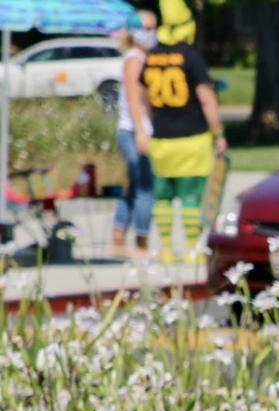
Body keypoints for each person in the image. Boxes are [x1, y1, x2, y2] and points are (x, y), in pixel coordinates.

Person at [139, 0, 226, 263]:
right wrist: (218, 132)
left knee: (163, 198)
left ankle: (165, 248)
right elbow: (206, 98)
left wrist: (154, 123)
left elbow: (145, 97)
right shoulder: (190, 56)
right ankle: (191, 249)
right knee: (191, 196)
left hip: (162, 139)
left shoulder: (151, 56)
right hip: (192, 138)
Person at [111, 9, 157, 255]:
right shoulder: (135, 58)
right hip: (133, 131)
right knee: (146, 188)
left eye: (153, 28)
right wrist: (141, 132)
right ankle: (142, 240)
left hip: (137, 130)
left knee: (134, 186)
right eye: (147, 29)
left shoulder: (142, 56)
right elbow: (132, 97)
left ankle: (118, 235)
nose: (152, 34)